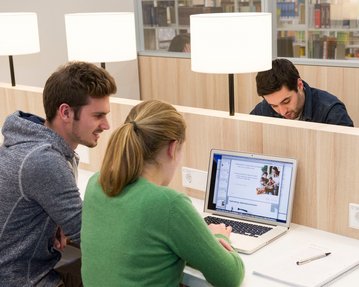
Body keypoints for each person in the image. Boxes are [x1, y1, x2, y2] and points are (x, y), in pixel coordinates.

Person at [81, 100, 245, 287]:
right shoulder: (169, 204)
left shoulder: (97, 182)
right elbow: (230, 277)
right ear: (172, 148)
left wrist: (196, 239)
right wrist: (219, 238)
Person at [0, 61, 117, 287]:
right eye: (98, 115)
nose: (106, 125)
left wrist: (55, 220)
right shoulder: (43, 160)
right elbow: (90, 234)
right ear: (65, 112)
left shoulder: (29, 141)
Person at [250, 58, 354, 127]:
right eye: (274, 106)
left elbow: (349, 154)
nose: (282, 112)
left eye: (286, 101)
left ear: (299, 85)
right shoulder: (263, 110)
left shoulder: (331, 110)